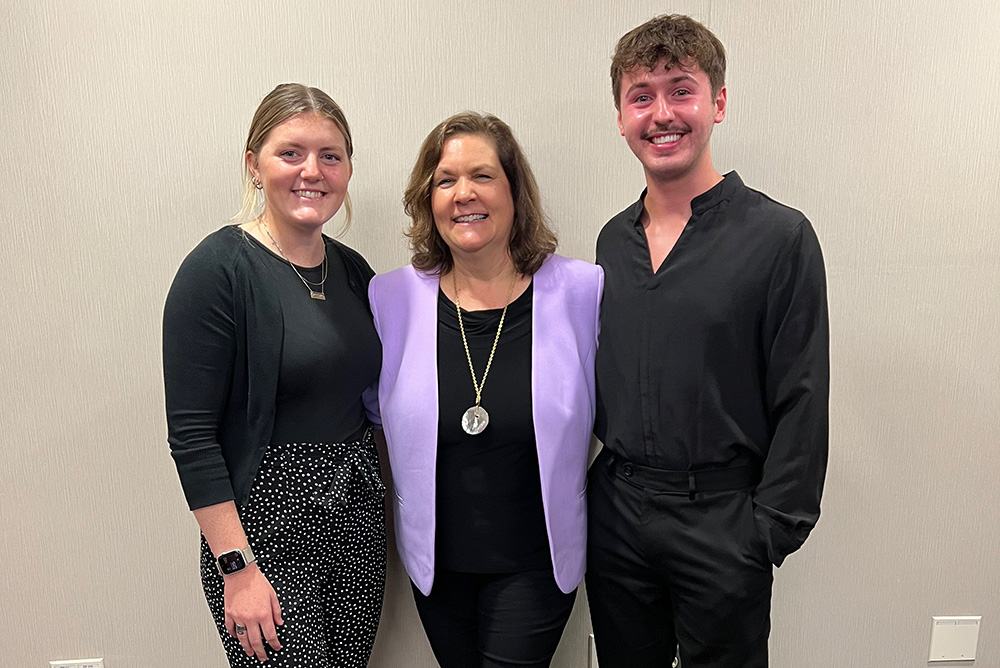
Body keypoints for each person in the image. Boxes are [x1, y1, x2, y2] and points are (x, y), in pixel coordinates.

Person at [586, 14, 830, 668]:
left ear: (717, 103)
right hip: (619, 513)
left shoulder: (779, 237)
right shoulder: (614, 240)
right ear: (620, 115)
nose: (661, 113)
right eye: (641, 96)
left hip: (723, 519)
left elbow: (802, 397)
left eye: (680, 90)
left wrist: (766, 533)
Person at [162, 83, 385, 667]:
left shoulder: (354, 271)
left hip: (355, 518)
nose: (312, 171)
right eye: (291, 153)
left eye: (330, 156)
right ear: (253, 164)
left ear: (347, 170)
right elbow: (191, 438)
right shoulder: (218, 270)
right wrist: (236, 569)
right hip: (264, 530)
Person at [369, 111, 602, 668]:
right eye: (445, 180)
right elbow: (371, 414)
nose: (463, 194)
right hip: (437, 566)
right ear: (428, 200)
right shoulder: (391, 300)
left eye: (482, 175)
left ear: (514, 191)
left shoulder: (581, 291)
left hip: (537, 562)